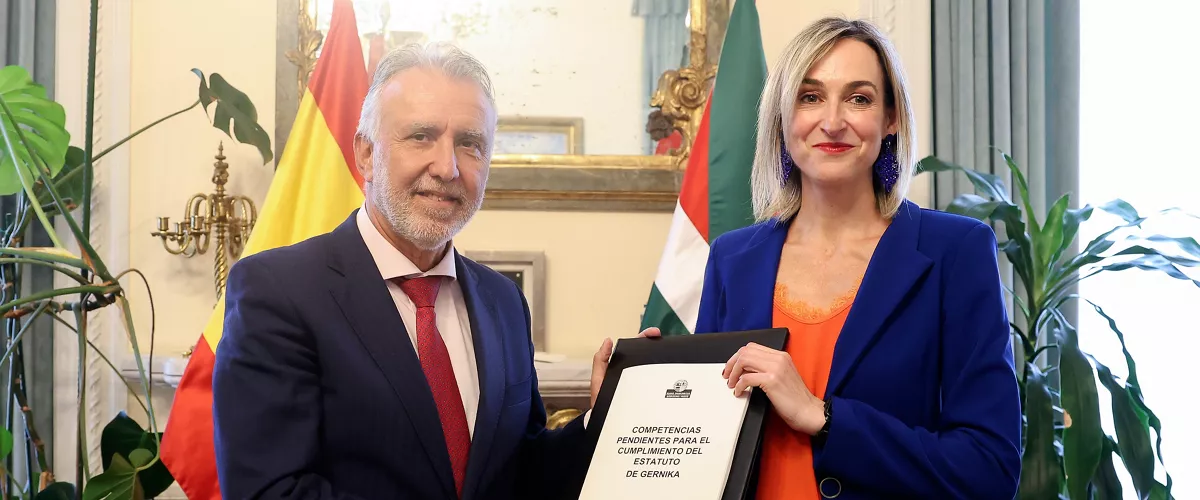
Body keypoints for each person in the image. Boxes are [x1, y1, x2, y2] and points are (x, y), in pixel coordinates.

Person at [211, 42, 641, 500]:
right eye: (420, 136)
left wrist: (599, 417)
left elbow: (523, 475)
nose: (447, 167)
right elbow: (272, 491)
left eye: (470, 144)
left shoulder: (503, 301)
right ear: (366, 154)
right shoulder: (278, 292)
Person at [695, 18, 1022, 499]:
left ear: (891, 118)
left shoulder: (956, 252)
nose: (832, 121)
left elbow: (989, 469)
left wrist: (823, 418)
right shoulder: (732, 258)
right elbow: (707, 440)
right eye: (810, 97)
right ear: (783, 118)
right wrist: (643, 394)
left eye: (859, 98)